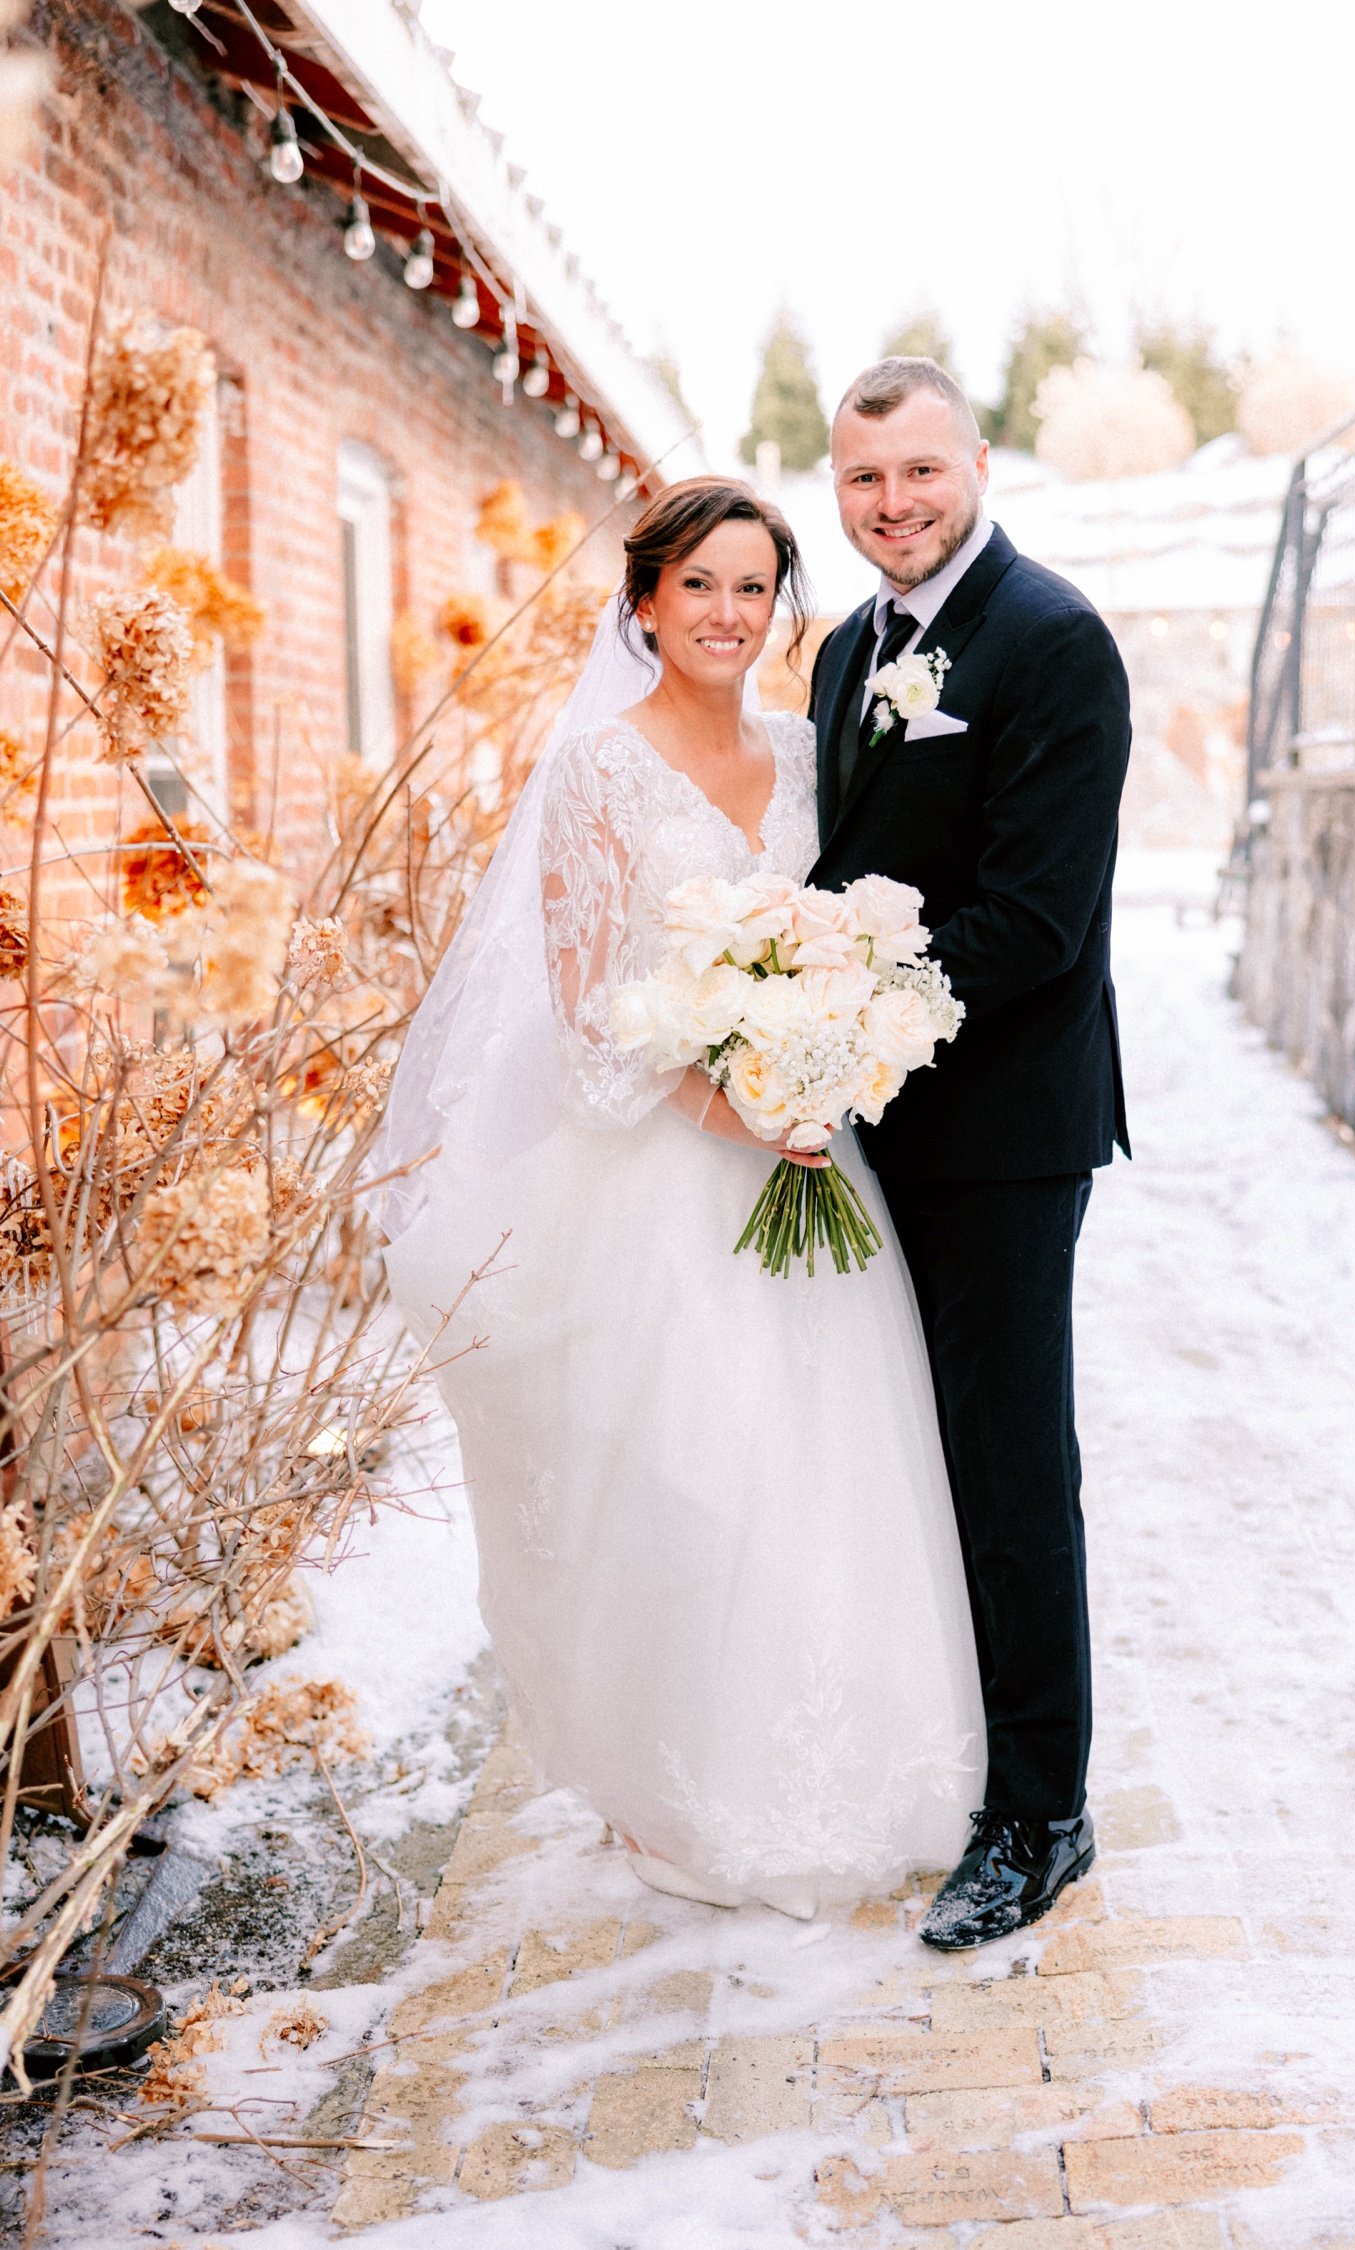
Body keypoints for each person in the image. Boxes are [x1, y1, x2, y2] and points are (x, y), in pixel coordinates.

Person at [375, 477, 983, 1920]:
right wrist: (740, 1100)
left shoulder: (807, 749)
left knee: (828, 1466)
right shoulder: (597, 770)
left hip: (809, 1167)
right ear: (645, 601)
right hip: (664, 1172)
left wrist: (825, 1060)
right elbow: (594, 1010)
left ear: (782, 609)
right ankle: (687, 1784)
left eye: (753, 587)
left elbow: (849, 935)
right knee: (694, 1475)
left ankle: (849, 1768)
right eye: (699, 585)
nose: (727, 612)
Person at [810, 358, 1131, 1951]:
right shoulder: (840, 652)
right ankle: (962, 1761)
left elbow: (1034, 919)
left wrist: (830, 1019)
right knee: (908, 1459)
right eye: (866, 481)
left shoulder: (1054, 640)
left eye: (922, 473)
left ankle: (1044, 1814)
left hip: (1001, 1131)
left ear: (978, 462)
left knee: (1012, 1470)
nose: (895, 505)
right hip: (867, 1122)